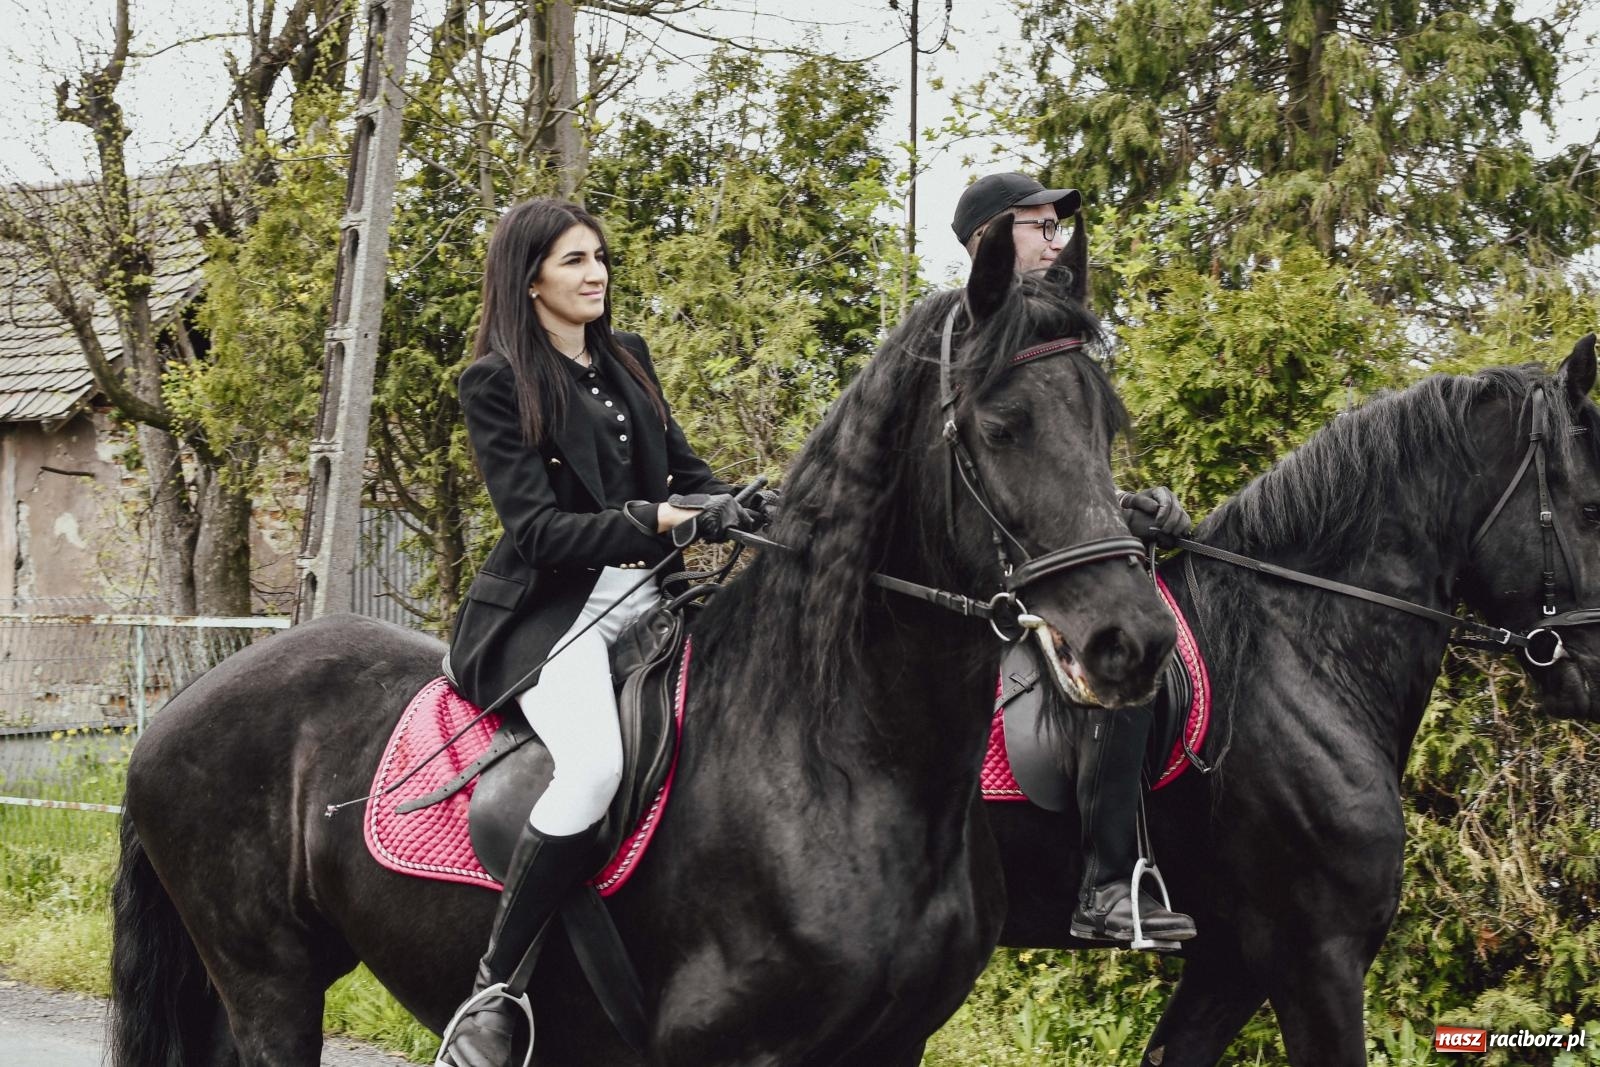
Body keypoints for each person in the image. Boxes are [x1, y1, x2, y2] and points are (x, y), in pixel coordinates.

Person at [437, 198, 759, 1067]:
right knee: (595, 764)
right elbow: (536, 531)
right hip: (552, 615)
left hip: (654, 600)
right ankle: (493, 989)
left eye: (600, 258)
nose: (596, 274)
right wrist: (659, 518)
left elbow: (686, 471)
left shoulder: (628, 358)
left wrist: (737, 501)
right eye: (575, 260)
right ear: (529, 277)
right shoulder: (497, 382)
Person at [954, 172, 1198, 946]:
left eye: (1059, 226)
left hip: (1043, 547)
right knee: (1108, 656)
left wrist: (1134, 506)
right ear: (989, 242)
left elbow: (1070, 477)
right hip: (976, 568)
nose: (1056, 238)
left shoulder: (1052, 338)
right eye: (1038, 225)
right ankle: (1104, 883)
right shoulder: (957, 336)